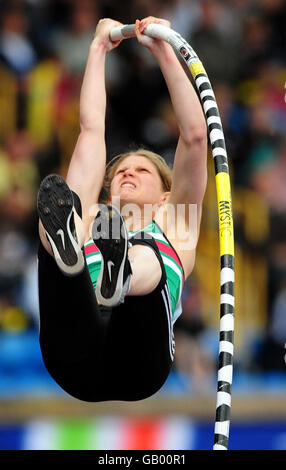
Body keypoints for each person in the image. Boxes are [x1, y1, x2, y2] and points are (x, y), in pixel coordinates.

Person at [37, 17, 207, 402]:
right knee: (63, 210)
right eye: (121, 172)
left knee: (146, 247)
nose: (127, 172)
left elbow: (195, 136)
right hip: (73, 354)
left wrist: (164, 51)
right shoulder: (93, 216)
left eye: (141, 170)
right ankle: (68, 255)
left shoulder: (175, 221)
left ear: (165, 194)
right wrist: (97, 48)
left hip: (140, 366)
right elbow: (91, 128)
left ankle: (123, 275)